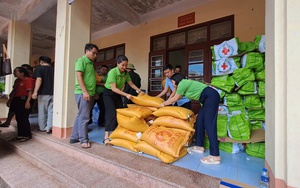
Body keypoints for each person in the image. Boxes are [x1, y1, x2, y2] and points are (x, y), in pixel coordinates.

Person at [160, 73, 221, 165]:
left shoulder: (183, 83)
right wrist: (170, 96)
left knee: (209, 124)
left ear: (176, 80)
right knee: (200, 121)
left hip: (211, 97)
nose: (172, 84)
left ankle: (215, 156)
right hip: (205, 99)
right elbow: (174, 95)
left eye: (172, 82)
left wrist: (164, 104)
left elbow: (175, 98)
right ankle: (199, 146)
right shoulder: (181, 85)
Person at [103, 55, 144, 145]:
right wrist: (126, 94)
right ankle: (106, 137)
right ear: (117, 64)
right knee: (111, 114)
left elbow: (131, 84)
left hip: (117, 93)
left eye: (126, 65)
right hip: (108, 93)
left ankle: (119, 133)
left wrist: (140, 91)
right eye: (122, 65)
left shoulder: (126, 73)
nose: (124, 67)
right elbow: (113, 88)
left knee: (121, 112)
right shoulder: (112, 72)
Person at [69, 43, 99, 148]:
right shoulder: (81, 61)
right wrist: (85, 91)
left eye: (96, 54)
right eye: (93, 53)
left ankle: (74, 137)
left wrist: (93, 92)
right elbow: (79, 76)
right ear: (87, 51)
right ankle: (83, 140)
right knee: (85, 118)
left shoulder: (90, 63)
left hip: (89, 93)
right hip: (83, 93)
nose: (95, 56)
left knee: (81, 116)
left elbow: (90, 79)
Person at [8, 67, 34, 142]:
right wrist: (10, 100)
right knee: (18, 118)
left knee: (24, 117)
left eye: (16, 71)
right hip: (18, 100)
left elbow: (30, 91)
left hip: (24, 99)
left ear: (22, 73)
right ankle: (20, 135)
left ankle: (26, 135)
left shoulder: (28, 80)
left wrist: (28, 101)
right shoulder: (18, 81)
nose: (14, 73)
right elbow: (14, 92)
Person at [32, 56, 54, 134]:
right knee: (51, 111)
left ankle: (42, 127)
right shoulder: (54, 69)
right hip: (53, 93)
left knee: (42, 111)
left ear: (41, 62)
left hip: (43, 93)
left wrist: (35, 92)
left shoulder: (39, 68)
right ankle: (49, 127)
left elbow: (39, 79)